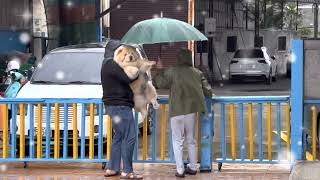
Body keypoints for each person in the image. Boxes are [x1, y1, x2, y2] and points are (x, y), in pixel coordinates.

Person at [154, 49, 213, 178]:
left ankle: (180, 170)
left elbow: (159, 83)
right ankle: (192, 167)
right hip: (191, 111)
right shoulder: (197, 73)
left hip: (176, 111)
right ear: (189, 59)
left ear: (178, 58)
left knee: (177, 141)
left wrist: (159, 69)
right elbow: (208, 91)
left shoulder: (172, 71)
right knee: (191, 140)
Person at [101, 40, 143, 180]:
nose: (123, 54)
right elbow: (127, 79)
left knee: (119, 137)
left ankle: (112, 168)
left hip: (114, 106)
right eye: (120, 51)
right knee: (130, 136)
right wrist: (139, 71)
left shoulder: (107, 65)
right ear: (113, 52)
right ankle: (127, 171)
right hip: (120, 106)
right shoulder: (111, 64)